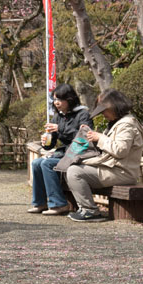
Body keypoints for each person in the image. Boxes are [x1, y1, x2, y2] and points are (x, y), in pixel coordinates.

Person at [66, 89, 143, 222]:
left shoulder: (127, 125)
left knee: (74, 172)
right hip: (115, 169)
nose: (103, 114)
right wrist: (92, 136)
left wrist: (100, 138)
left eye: (104, 111)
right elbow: (110, 148)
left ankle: (89, 211)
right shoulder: (118, 122)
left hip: (122, 172)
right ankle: (85, 209)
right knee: (71, 167)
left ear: (114, 107)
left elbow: (120, 150)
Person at [27, 83, 92, 215]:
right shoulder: (58, 116)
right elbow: (52, 143)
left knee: (47, 164)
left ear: (69, 99)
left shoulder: (83, 114)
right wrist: (46, 142)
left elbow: (84, 137)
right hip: (64, 152)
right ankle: (40, 203)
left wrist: (59, 128)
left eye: (60, 99)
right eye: (55, 99)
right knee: (36, 163)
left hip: (79, 152)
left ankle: (59, 204)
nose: (56, 103)